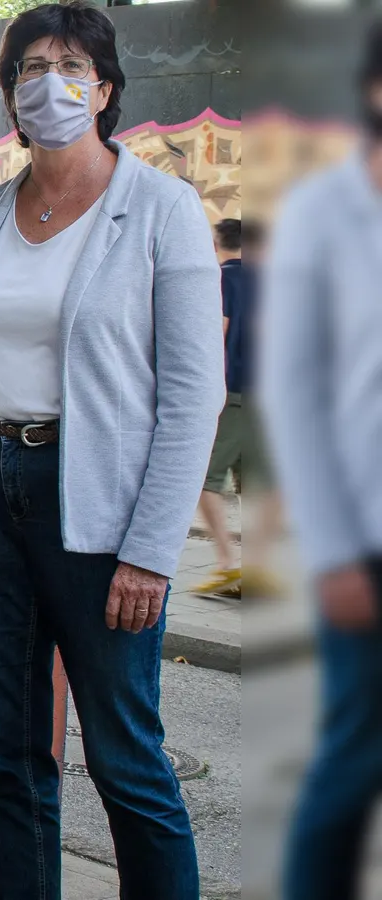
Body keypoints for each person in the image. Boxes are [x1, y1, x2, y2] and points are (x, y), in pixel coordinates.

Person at [0, 4, 223, 897]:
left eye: (69, 64)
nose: (47, 81)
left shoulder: (161, 209)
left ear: (105, 89)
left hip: (95, 505)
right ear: (10, 93)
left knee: (127, 761)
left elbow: (193, 394)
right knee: (5, 758)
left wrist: (151, 553)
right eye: (28, 67)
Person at [262, 23, 382, 900]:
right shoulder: (324, 212)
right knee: (353, 762)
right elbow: (294, 392)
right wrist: (333, 550)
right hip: (366, 538)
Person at [192, 218, 261, 596]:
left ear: (217, 244)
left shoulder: (221, 281)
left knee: (205, 480)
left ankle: (228, 563)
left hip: (233, 392)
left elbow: (214, 335)